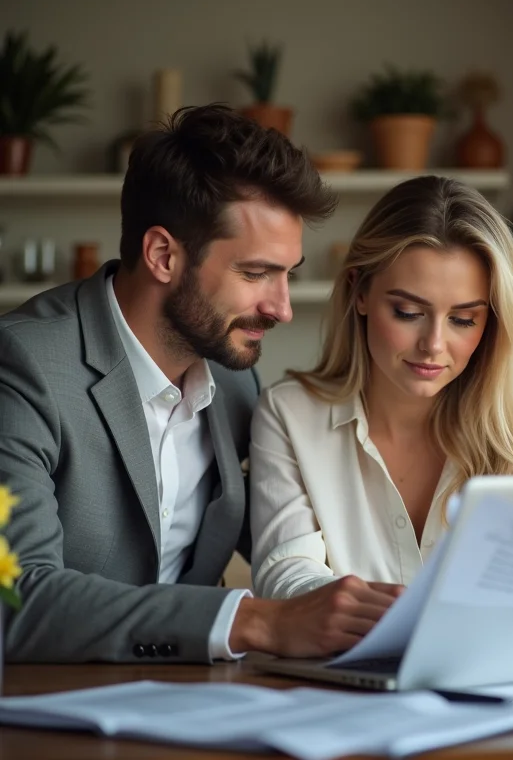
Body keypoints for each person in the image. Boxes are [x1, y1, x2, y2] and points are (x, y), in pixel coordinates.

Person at [0, 104, 403, 664]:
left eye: (288, 275)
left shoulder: (236, 384)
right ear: (163, 255)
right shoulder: (23, 366)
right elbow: (17, 599)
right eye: (256, 273)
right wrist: (257, 622)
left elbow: (290, 540)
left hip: (198, 699)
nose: (282, 308)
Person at [250, 175, 513, 599]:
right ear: (359, 292)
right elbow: (285, 572)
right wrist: (380, 616)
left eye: (463, 320)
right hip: (347, 644)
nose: (433, 345)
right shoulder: (289, 414)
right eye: (408, 312)